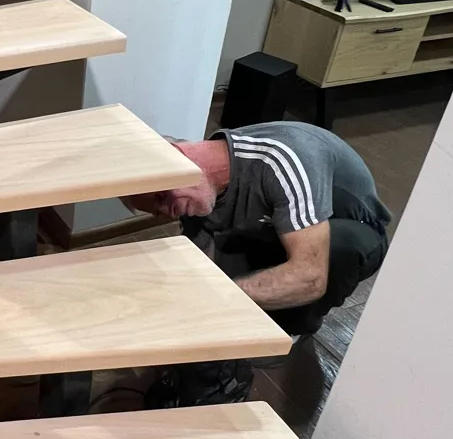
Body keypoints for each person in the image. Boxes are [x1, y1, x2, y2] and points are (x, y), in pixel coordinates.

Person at [126, 119, 391, 409]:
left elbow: (310, 276)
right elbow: (201, 264)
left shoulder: (285, 160)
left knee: (334, 255)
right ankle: (215, 367)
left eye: (163, 197)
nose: (168, 211)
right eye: (156, 211)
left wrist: (221, 299)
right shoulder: (196, 188)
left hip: (352, 230)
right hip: (279, 230)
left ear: (184, 156)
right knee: (210, 276)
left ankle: (291, 328)